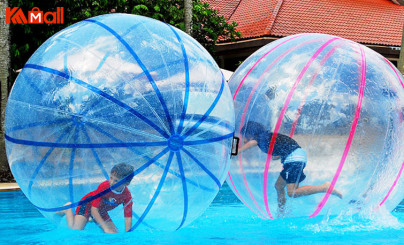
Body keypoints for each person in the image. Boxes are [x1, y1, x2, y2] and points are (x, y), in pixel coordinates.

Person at [238, 121, 342, 214]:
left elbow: (253, 142)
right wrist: (278, 155)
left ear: (250, 134)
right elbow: (282, 147)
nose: (244, 140)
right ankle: (281, 212)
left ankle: (325, 187)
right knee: (278, 186)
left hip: (294, 158)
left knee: (292, 192)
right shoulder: (266, 138)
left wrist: (235, 152)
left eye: (245, 136)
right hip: (294, 157)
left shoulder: (260, 138)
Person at [58, 163, 134, 233]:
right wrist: (105, 227)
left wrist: (127, 234)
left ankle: (90, 219)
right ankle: (67, 209)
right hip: (87, 204)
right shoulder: (104, 187)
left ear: (126, 183)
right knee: (75, 230)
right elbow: (94, 209)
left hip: (100, 210)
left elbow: (128, 217)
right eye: (111, 178)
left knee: (113, 233)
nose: (111, 182)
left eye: (116, 180)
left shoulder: (126, 195)